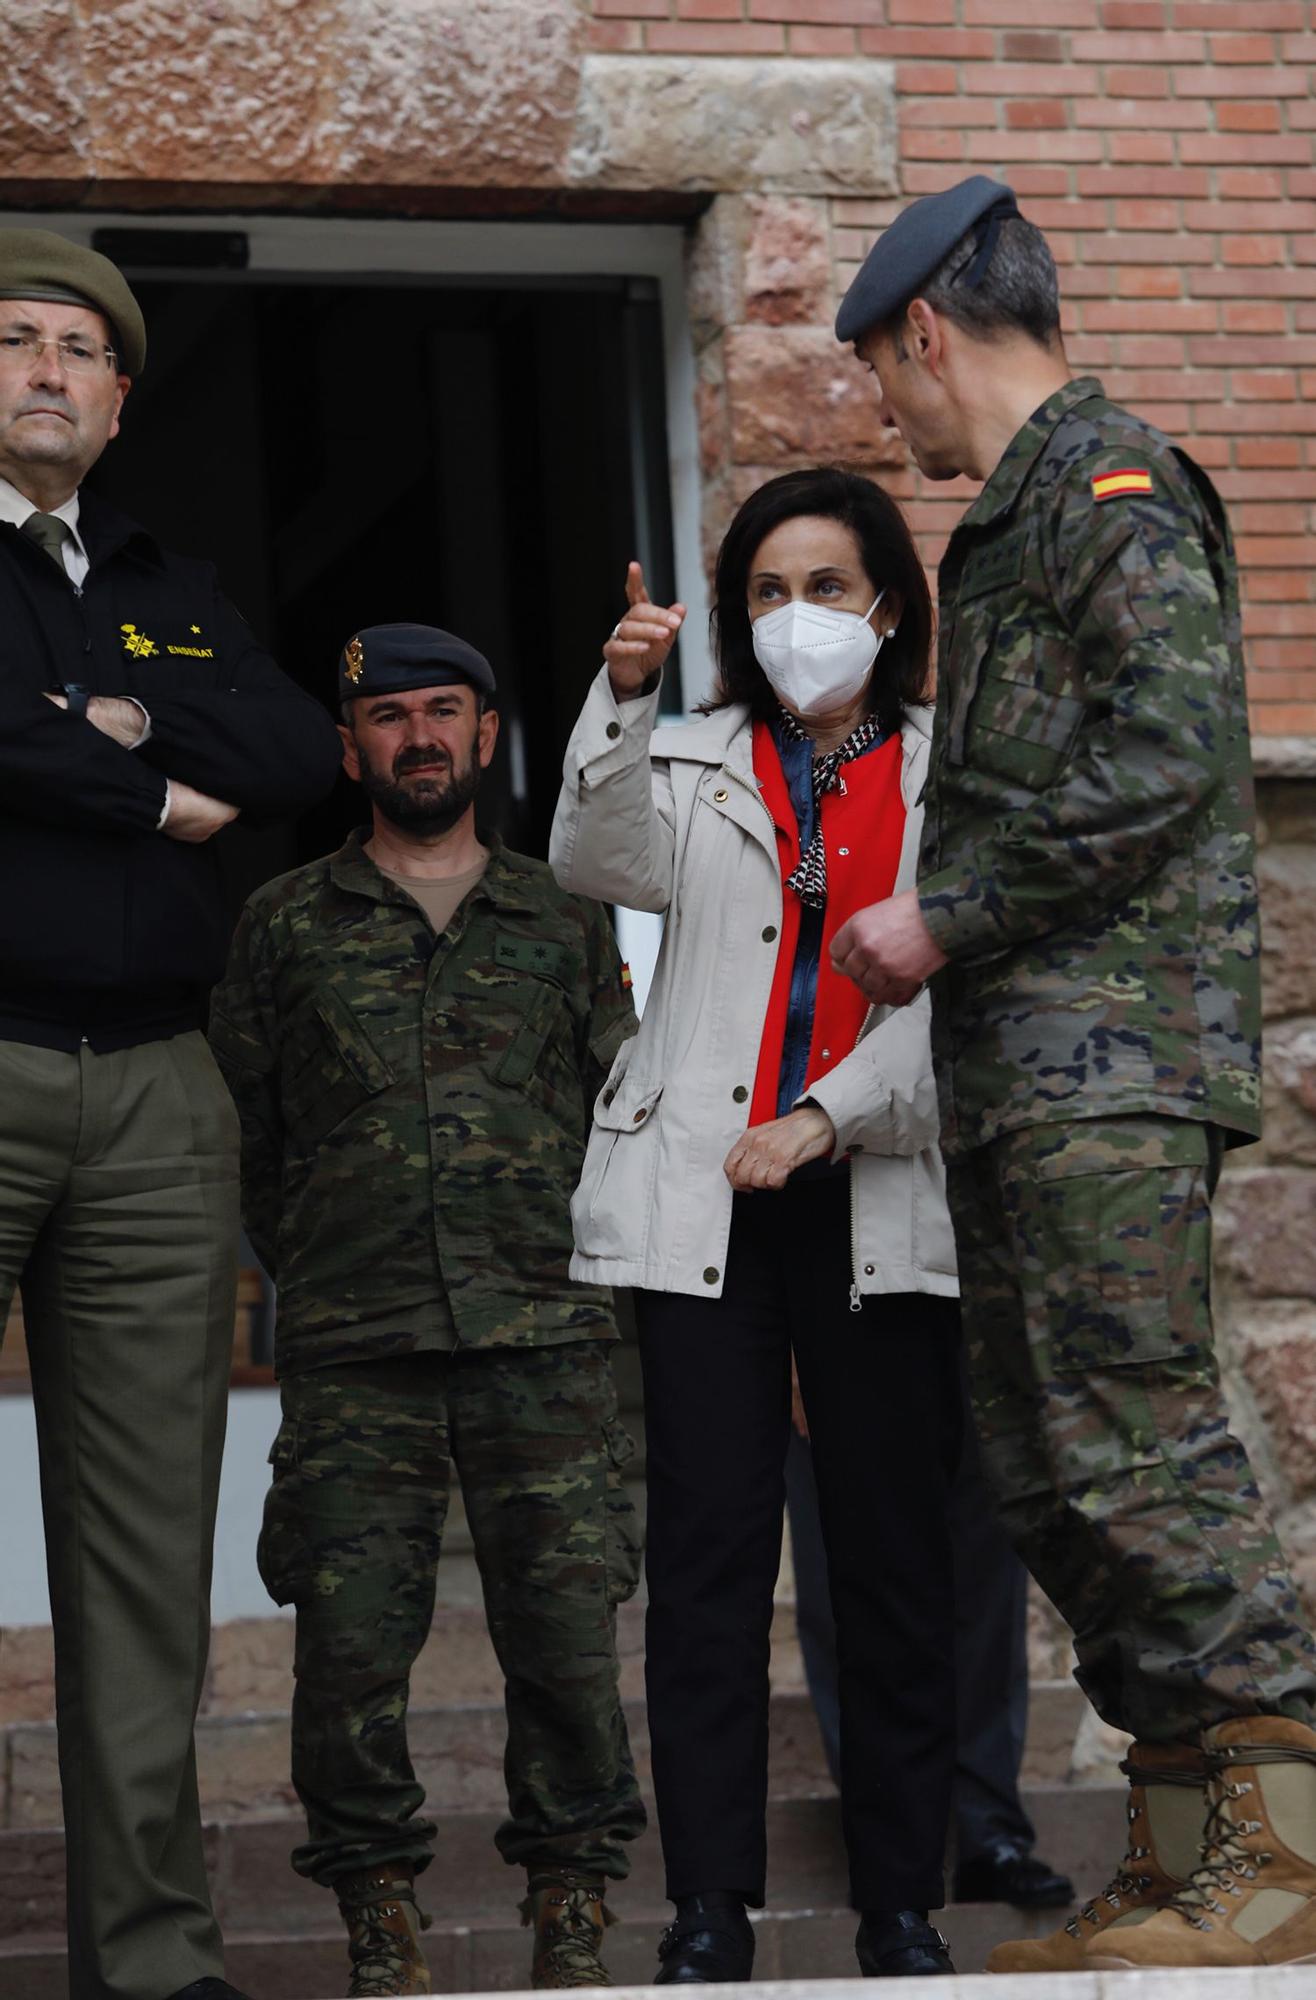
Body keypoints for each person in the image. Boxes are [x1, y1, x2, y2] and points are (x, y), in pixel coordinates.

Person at [829, 173, 1316, 1974]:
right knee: (1048, 1463)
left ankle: (1291, 1839)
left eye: (887, 376)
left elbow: (1174, 753)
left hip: (1110, 1056)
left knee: (1136, 1436)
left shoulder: (1108, 484)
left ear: (929, 332)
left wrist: (944, 915)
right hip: (1037, 1072)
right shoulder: (1022, 512)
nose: (892, 413)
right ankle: (1196, 1855)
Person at [551, 470, 963, 1981]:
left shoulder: (948, 769)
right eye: (770, 593)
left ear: (890, 606)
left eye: (830, 588)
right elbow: (593, 862)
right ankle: (708, 1907)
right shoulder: (694, 755)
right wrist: (617, 692)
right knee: (711, 1565)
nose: (800, 620)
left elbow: (957, 1000)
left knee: (891, 1565)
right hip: (709, 1200)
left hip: (876, 1187)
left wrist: (828, 1116)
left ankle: (899, 1906)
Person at [0, 228, 341, 2000]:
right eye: (18, 338)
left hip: (154, 1087)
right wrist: (146, 780)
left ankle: (147, 1957)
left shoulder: (168, 582)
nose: (49, 368)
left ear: (122, 400)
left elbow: (294, 752)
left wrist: (100, 718)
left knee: (141, 1556)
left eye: (81, 350)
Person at [209, 623, 646, 1996]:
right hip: (358, 1351)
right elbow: (252, 1140)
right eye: (389, 716)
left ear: (487, 733)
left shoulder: (566, 920)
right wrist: (335, 1262)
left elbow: (622, 1113)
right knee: (347, 1651)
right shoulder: (284, 923)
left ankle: (572, 1908)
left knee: (568, 1641)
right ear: (349, 749)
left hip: (549, 1339)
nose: (418, 738)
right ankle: (378, 1917)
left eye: (442, 711)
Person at [784, 1388, 1075, 1911]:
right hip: (836, 1320)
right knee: (844, 1568)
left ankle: (988, 1833)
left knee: (985, 1572)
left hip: (971, 1321)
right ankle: (884, 1839)